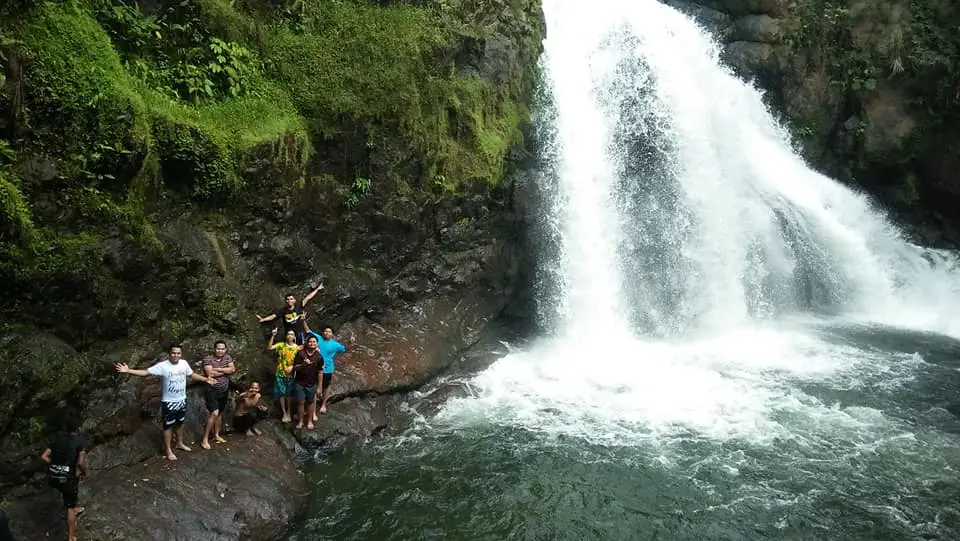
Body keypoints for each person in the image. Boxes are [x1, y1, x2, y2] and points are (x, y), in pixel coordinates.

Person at [115, 344, 216, 460]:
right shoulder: (163, 366)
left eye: (178, 353)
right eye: (173, 353)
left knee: (180, 423)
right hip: (169, 402)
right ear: (169, 353)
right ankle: (168, 449)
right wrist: (128, 370)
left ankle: (179, 443)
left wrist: (205, 379)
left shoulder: (184, 363)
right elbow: (146, 372)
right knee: (168, 426)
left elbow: (192, 375)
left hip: (181, 399)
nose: (176, 355)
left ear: (181, 354)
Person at [39, 415, 89, 541]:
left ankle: (74, 506)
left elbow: (44, 456)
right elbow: (80, 462)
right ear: (78, 427)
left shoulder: (57, 439)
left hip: (53, 477)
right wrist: (84, 472)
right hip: (66, 479)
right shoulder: (80, 441)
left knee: (68, 489)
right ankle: (71, 537)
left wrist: (55, 466)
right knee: (70, 507)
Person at [305, 322, 355, 415]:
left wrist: (350, 342)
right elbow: (308, 331)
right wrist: (303, 321)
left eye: (329, 332)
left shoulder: (335, 345)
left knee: (326, 386)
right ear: (323, 333)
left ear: (332, 334)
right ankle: (313, 407)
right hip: (316, 368)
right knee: (314, 387)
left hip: (328, 368)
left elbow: (345, 349)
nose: (327, 333)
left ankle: (324, 404)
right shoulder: (318, 339)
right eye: (325, 331)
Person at [255, 281, 324, 344]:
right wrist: (263, 319)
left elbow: (308, 297)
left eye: (291, 299)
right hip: (289, 334)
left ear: (294, 300)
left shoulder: (299, 306)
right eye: (287, 299)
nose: (289, 301)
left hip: (300, 333)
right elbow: (273, 316)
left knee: (301, 347)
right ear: (285, 301)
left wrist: (317, 289)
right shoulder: (283, 310)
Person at [200, 340, 236, 450]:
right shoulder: (208, 359)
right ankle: (204, 439)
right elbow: (210, 373)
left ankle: (216, 435)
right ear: (214, 349)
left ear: (225, 350)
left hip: (224, 390)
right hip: (211, 389)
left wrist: (219, 369)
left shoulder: (227, 358)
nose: (220, 351)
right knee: (214, 413)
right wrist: (225, 371)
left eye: (222, 349)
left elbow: (233, 369)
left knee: (219, 413)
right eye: (218, 348)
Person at [267, 328, 300, 423]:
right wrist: (273, 335)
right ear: (286, 336)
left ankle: (289, 412)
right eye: (288, 334)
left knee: (289, 394)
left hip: (291, 374)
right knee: (282, 393)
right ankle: (284, 412)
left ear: (294, 337)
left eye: (291, 334)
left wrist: (293, 367)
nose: (290, 336)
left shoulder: (297, 348)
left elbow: (299, 361)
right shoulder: (281, 345)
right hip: (280, 373)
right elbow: (269, 348)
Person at [291, 334, 322, 430]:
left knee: (310, 402)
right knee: (300, 402)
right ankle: (300, 421)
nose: (312, 344)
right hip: (299, 382)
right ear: (307, 343)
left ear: (317, 344)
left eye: (314, 342)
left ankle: (309, 421)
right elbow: (295, 367)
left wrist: (319, 386)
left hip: (311, 383)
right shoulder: (300, 353)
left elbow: (320, 372)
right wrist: (303, 364)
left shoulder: (319, 357)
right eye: (310, 342)